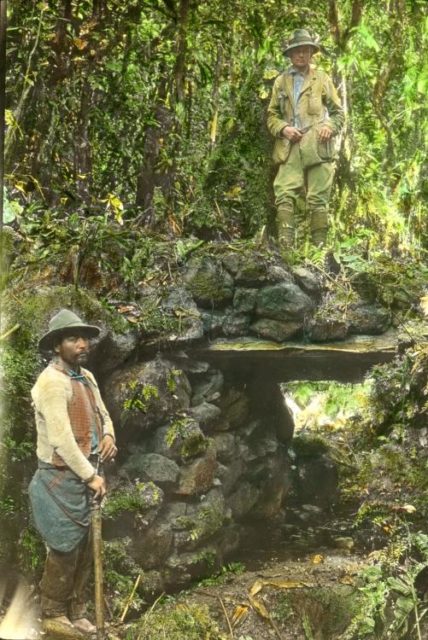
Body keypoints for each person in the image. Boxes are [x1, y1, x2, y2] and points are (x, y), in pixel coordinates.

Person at [29, 309, 117, 634]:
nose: (82, 344)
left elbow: (103, 414)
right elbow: (62, 440)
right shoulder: (51, 383)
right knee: (64, 547)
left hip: (86, 472)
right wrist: (91, 476)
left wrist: (109, 435)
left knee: (85, 548)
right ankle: (52, 611)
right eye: (72, 338)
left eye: (84, 338)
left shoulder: (87, 377)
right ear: (56, 346)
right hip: (59, 478)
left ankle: (77, 609)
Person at [267, 28, 344, 250]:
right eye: (296, 51)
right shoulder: (281, 82)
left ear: (311, 53)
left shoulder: (322, 79)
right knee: (283, 193)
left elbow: (339, 113)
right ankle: (286, 250)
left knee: (318, 199)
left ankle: (319, 253)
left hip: (318, 146)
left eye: (305, 51)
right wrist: (283, 129)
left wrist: (329, 126)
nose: (301, 55)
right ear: (290, 55)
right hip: (290, 145)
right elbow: (271, 115)